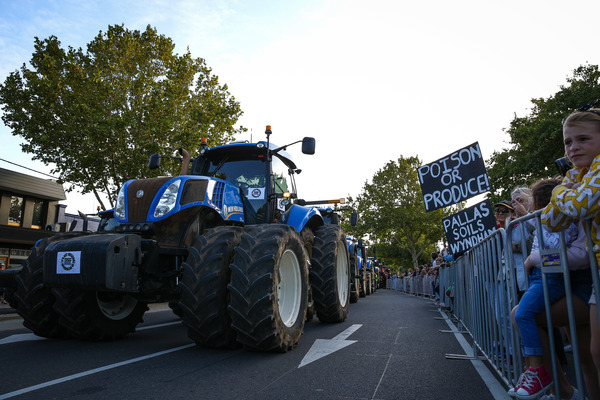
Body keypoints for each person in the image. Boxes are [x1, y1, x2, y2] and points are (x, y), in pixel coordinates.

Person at [509, 178, 588, 399]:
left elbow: (577, 255)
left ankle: (548, 380)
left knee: (590, 357)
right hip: (562, 280)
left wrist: (534, 258)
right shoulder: (550, 217)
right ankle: (559, 389)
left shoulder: (576, 211)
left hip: (582, 285)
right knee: (520, 314)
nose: (573, 149)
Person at [542, 105, 600, 400]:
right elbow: (550, 220)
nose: (573, 148)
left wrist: (558, 192)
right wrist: (568, 189)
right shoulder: (581, 175)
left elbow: (579, 207)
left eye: (583, 139)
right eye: (568, 142)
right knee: (594, 351)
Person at [511, 187, 535, 298]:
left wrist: (518, 246)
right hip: (522, 281)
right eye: (513, 202)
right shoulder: (513, 227)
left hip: (537, 276)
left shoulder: (537, 217)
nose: (516, 204)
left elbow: (539, 238)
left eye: (520, 200)